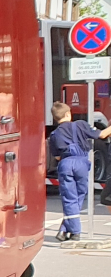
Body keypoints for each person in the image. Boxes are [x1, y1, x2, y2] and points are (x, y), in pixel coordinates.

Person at [48, 101, 110, 241]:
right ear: (68, 114)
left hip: (65, 163)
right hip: (81, 163)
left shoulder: (54, 134)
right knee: (79, 196)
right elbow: (101, 135)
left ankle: (65, 229)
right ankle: (75, 232)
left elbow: (57, 156)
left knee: (69, 198)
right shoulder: (81, 125)